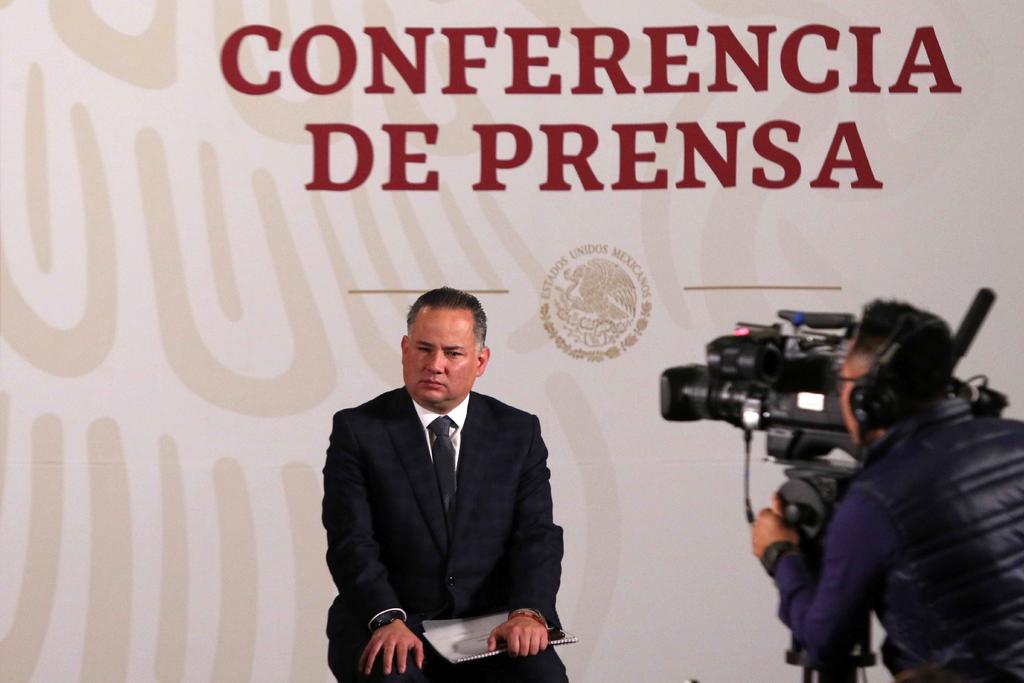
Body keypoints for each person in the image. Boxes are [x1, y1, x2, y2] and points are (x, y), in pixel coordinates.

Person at [751, 299, 1024, 681]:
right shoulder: (1016, 439)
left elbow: (824, 642)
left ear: (867, 400)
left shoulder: (876, 502)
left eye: (842, 381)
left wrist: (780, 553)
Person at [323, 287, 568, 682]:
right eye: (424, 349)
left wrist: (528, 612)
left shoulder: (518, 432)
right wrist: (386, 617)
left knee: (542, 676)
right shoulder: (358, 430)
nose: (435, 365)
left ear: (480, 361)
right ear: (405, 350)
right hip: (393, 621)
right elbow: (351, 541)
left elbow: (537, 536)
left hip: (490, 627)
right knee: (393, 671)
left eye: (453, 353)